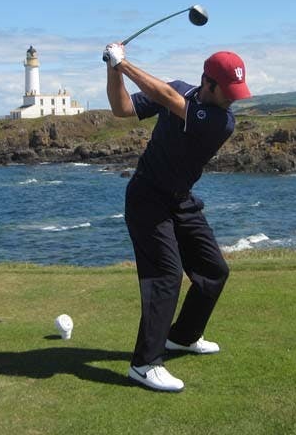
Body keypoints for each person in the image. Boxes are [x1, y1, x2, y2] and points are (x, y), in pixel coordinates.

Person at [104, 42, 251, 392]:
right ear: (208, 82)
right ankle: (143, 364)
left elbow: (170, 98)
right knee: (166, 275)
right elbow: (122, 108)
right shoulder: (184, 90)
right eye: (227, 91)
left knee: (214, 270)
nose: (233, 99)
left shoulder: (221, 120)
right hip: (146, 198)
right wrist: (113, 69)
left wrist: (125, 64)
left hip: (180, 199)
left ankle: (183, 337)